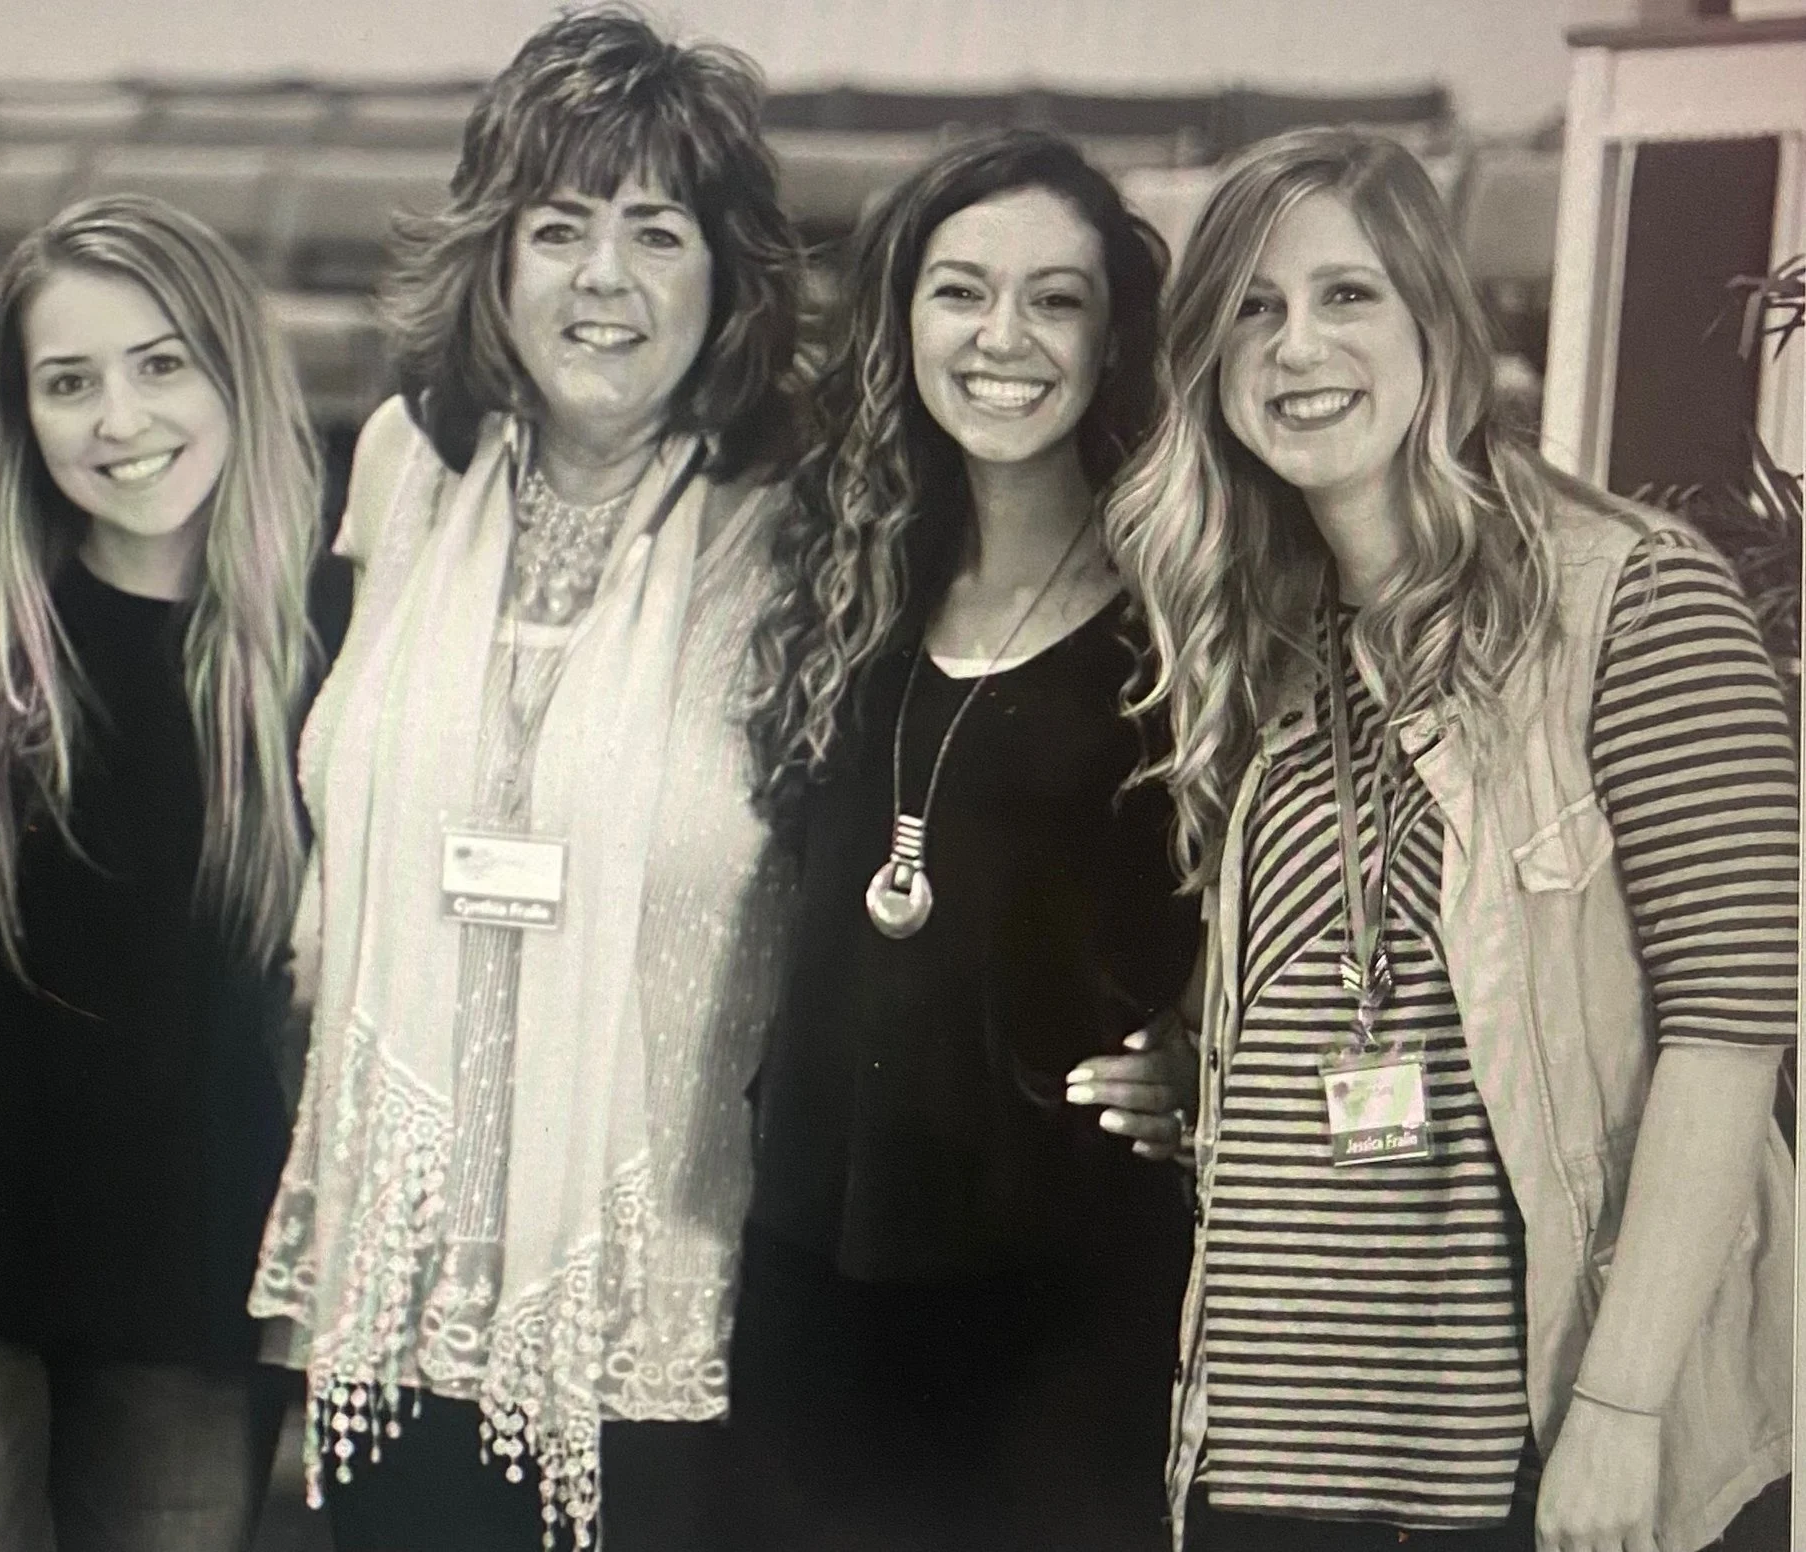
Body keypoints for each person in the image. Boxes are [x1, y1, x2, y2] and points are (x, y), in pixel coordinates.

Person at [1100, 128, 1795, 1552]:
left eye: (1347, 295)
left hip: (1535, 1450)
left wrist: (1621, 1409)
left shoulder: (1636, 604)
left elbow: (1736, 1025)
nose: (1297, 347)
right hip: (1272, 1446)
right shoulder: (1264, 632)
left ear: (1440, 321)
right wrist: (1206, 1064)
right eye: (1252, 306)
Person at [245, 9, 808, 1549]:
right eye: (557, 228)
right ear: (493, 256)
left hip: (658, 1301)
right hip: (400, 1282)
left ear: (730, 269)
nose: (603, 279)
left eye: (657, 231)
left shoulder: (809, 526)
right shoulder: (405, 477)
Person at [0, 193, 335, 1552]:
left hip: (190, 1284)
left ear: (236, 369)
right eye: (69, 382)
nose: (119, 420)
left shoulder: (328, 641)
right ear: (21, 415)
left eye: (161, 364)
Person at [733, 130, 1198, 1551]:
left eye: (1055, 298)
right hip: (813, 1265)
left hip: (1062, 1296)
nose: (1005, 338)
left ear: (1113, 335)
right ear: (901, 315)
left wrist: (1204, 1054)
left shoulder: (1184, 611)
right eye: (961, 291)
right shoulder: (839, 570)